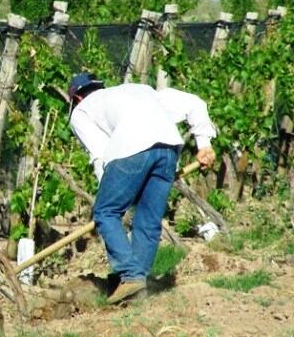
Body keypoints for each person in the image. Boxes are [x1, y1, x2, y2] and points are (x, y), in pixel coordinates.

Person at [67, 73, 217, 304]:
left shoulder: (81, 111)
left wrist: (106, 192)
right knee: (147, 219)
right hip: (168, 148)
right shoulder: (140, 90)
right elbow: (195, 104)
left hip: (131, 149)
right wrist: (204, 144)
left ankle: (130, 275)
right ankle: (136, 290)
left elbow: (99, 153)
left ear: (76, 97)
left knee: (106, 212)